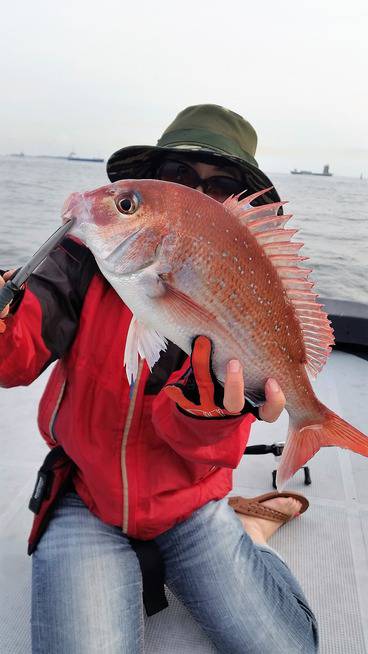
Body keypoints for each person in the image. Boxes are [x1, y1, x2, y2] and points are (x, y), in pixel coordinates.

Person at [0, 104, 319, 653]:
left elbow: (208, 452)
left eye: (221, 186)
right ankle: (252, 526)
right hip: (86, 495)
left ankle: (251, 531)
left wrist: (209, 408)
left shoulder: (229, 296)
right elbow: (14, 359)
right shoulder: (79, 263)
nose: (199, 195)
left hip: (191, 501)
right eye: (175, 178)